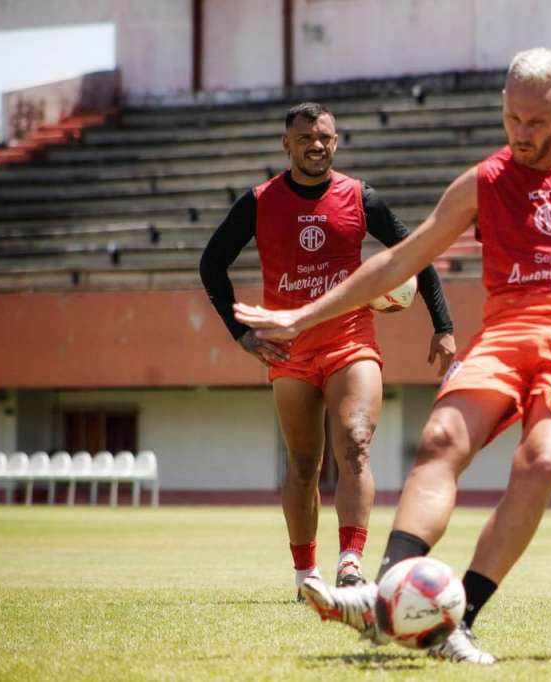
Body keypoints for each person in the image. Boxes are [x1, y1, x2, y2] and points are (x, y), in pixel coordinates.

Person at [234, 48, 551, 664]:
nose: (523, 135)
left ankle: (459, 619)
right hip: (505, 335)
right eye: (514, 120)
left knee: (539, 460)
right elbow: (398, 260)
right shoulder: (482, 182)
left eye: (538, 123)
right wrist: (301, 317)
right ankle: (387, 593)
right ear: (503, 108)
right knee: (441, 438)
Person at [200, 102, 456, 597]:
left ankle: (351, 564)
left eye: (326, 138)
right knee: (302, 464)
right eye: (306, 139)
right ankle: (304, 574)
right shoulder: (258, 202)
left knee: (355, 443)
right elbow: (212, 264)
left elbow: (417, 254)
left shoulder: (361, 197)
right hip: (288, 351)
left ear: (335, 142)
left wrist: (442, 325)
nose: (317, 146)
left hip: (350, 341)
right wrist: (242, 335)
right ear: (287, 144)